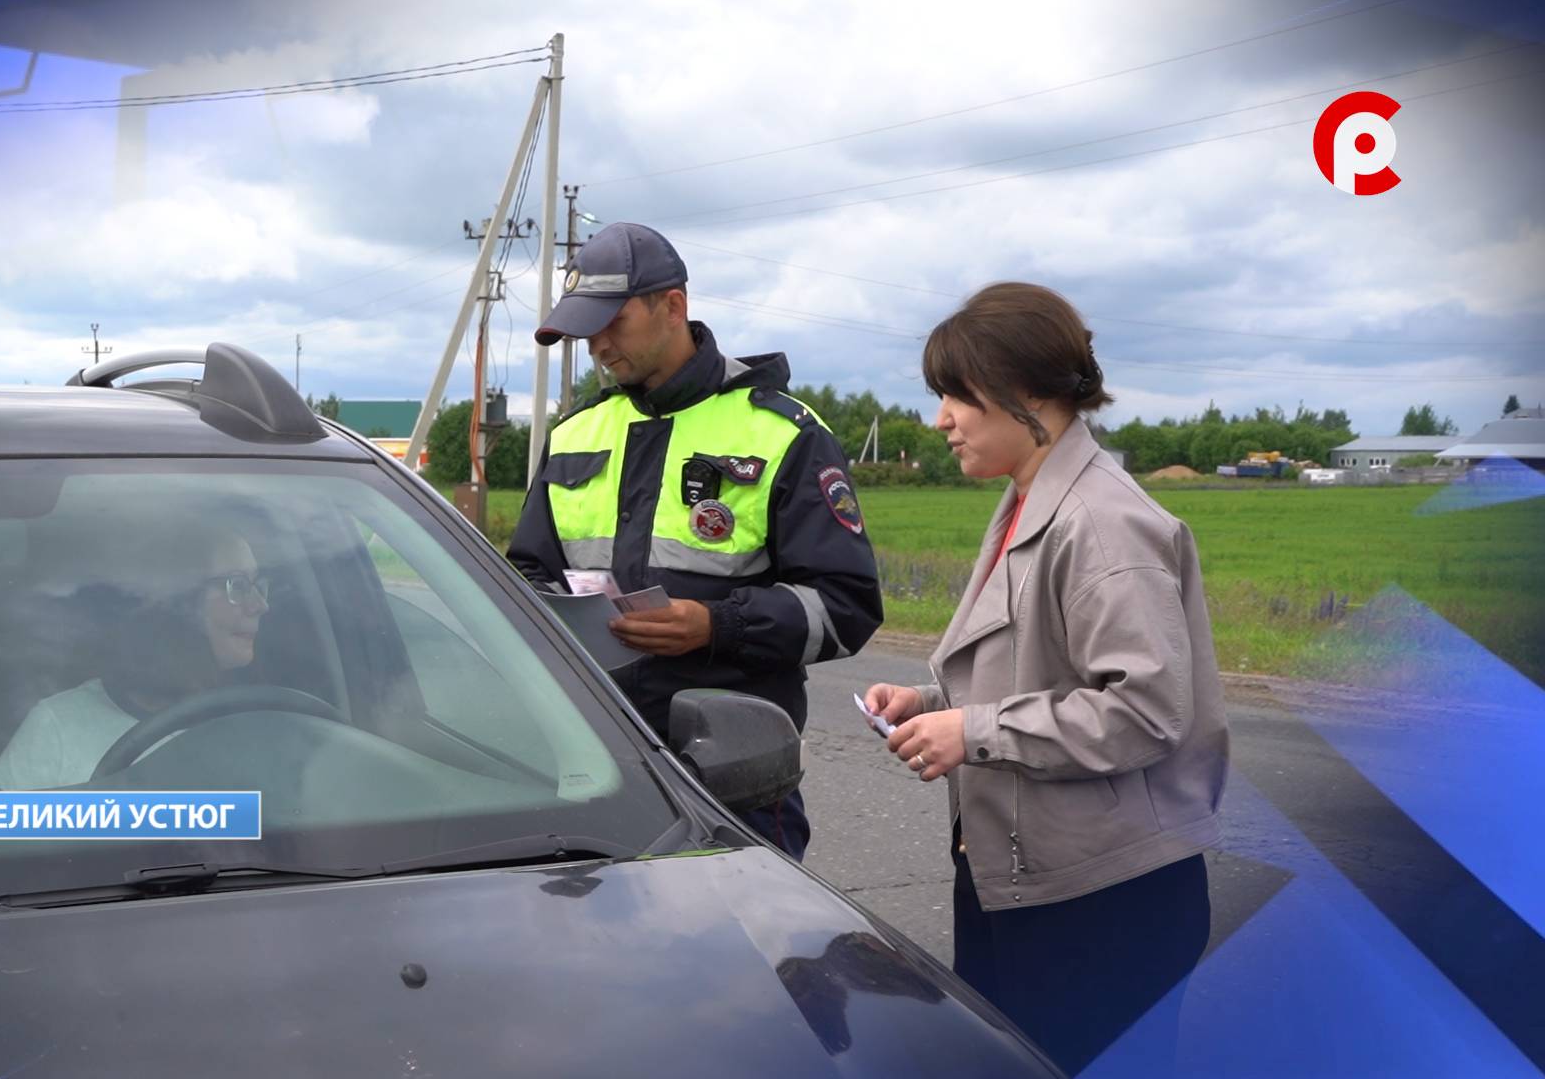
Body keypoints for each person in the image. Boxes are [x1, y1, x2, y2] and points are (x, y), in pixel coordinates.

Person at [861, 282, 1229, 1075]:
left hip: (1103, 908)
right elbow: (1044, 670)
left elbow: (1145, 709)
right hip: (1028, 883)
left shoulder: (1102, 522)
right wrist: (932, 706)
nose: (941, 419)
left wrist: (973, 731)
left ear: (1026, 393)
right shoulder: (1030, 501)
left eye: (957, 395)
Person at [511, 222, 884, 860]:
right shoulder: (574, 434)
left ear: (673, 305)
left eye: (612, 322)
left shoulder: (784, 432)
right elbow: (526, 577)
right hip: (592, 766)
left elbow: (846, 606)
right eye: (585, 330)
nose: (598, 346)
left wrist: (717, 625)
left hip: (732, 781)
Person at [0, 527, 268, 790]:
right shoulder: (58, 727)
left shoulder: (266, 721)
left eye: (258, 585)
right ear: (174, 603)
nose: (260, 605)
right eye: (237, 585)